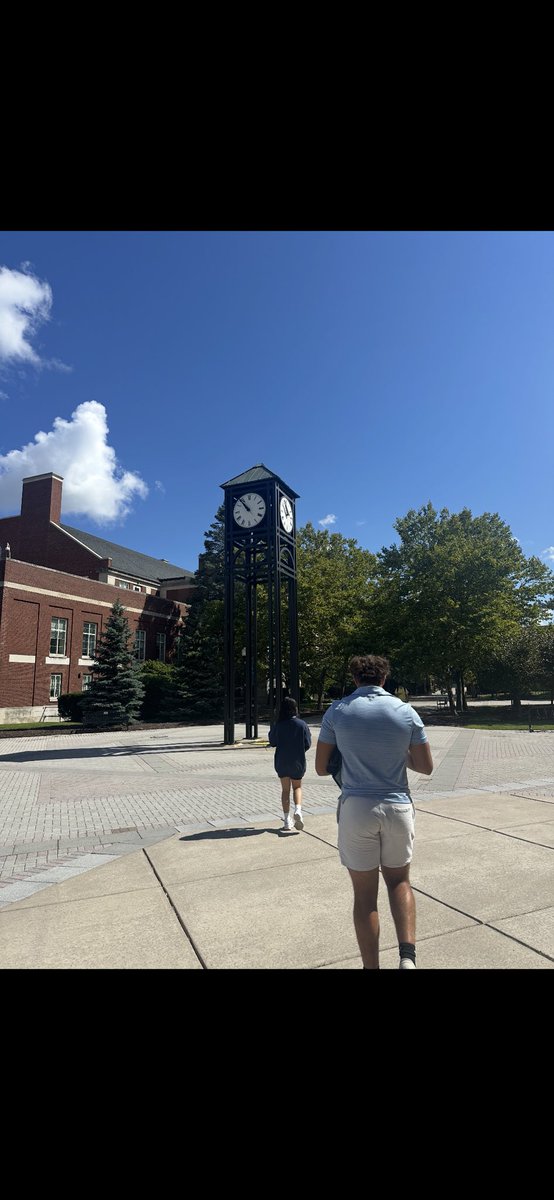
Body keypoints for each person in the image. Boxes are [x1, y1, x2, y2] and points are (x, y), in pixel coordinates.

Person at [315, 654, 433, 969]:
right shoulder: (406, 712)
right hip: (397, 806)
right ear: (384, 679)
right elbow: (425, 766)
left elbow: (321, 767)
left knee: (365, 896)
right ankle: (407, 958)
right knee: (400, 882)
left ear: (355, 679)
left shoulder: (337, 711)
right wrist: (397, 754)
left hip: (357, 809)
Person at [268, 697, 312, 831]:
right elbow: (307, 743)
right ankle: (298, 810)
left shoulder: (279, 725)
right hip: (297, 760)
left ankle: (287, 820)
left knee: (285, 790)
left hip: (282, 761)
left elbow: (272, 741)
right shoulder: (302, 724)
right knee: (297, 787)